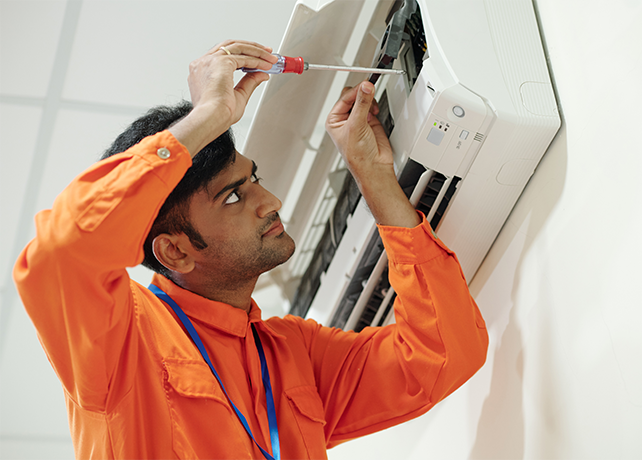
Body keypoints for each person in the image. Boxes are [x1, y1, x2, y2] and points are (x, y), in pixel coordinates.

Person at [13, 39, 488, 459]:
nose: (271, 202)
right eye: (233, 197)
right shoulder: (124, 343)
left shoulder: (291, 354)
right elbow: (63, 251)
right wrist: (208, 117)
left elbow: (443, 353)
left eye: (253, 179)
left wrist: (375, 178)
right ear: (175, 252)